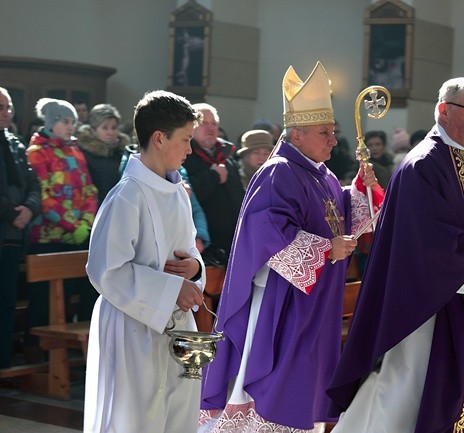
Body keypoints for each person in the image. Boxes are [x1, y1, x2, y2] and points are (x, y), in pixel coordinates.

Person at [326, 77, 464, 433]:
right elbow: (426, 248)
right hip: (426, 306)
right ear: (443, 110)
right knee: (405, 393)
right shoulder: (422, 166)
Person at [199, 61, 382, 433]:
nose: (333, 140)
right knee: (280, 376)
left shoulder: (324, 174)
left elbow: (336, 216)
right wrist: (326, 250)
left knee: (307, 379)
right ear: (295, 135)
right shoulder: (279, 170)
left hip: (316, 298)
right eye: (324, 132)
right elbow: (265, 228)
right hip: (284, 300)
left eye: (333, 131)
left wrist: (359, 193)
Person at [83, 90, 206, 433]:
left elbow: (188, 252)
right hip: (132, 327)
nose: (190, 149)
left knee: (178, 412)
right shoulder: (127, 195)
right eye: (185, 139)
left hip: (176, 324)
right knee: (135, 417)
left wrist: (195, 270)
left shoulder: (177, 190)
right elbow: (106, 271)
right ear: (159, 138)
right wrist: (171, 289)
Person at [24, 98, 98, 359]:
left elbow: (89, 189)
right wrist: (71, 224)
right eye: (65, 122)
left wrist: (86, 223)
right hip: (49, 238)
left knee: (67, 298)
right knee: (44, 300)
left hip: (76, 236)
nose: (70, 127)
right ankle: (38, 352)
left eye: (73, 123)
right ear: (51, 122)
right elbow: (44, 197)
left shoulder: (75, 151)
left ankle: (63, 356)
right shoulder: (36, 152)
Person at [0, 87, 41, 368]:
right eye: (1, 108)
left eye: (8, 108)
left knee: (6, 302)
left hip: (13, 238)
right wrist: (10, 211)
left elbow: (33, 184)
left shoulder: (14, 143)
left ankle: (2, 361)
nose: (6, 113)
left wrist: (29, 207)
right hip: (5, 224)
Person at [183, 103, 244, 267]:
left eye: (214, 124)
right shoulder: (183, 156)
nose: (210, 128)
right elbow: (185, 196)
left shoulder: (228, 158)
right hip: (204, 248)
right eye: (204, 123)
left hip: (232, 247)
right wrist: (213, 176)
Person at [77, 103, 131, 205]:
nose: (110, 132)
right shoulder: (84, 155)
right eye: (105, 128)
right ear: (93, 130)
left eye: (114, 127)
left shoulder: (124, 153)